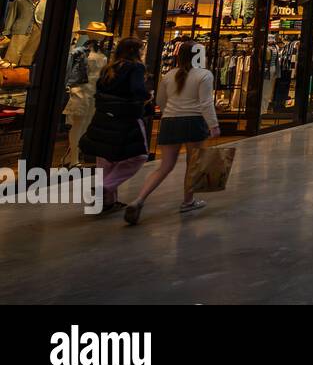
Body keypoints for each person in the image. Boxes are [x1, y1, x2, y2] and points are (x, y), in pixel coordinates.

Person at [124, 39, 219, 225]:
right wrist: (213, 124)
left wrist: (172, 112)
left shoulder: (169, 75)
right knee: (193, 165)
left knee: (165, 166)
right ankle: (188, 201)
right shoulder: (204, 75)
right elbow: (206, 103)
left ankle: (139, 199)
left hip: (169, 122)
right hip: (193, 122)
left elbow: (160, 100)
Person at [78, 38, 151, 214]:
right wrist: (147, 95)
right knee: (139, 156)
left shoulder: (108, 68)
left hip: (104, 116)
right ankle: (105, 187)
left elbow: (100, 90)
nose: (142, 52)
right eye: (141, 49)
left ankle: (108, 202)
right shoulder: (136, 68)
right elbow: (137, 89)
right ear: (135, 51)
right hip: (126, 116)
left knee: (106, 157)